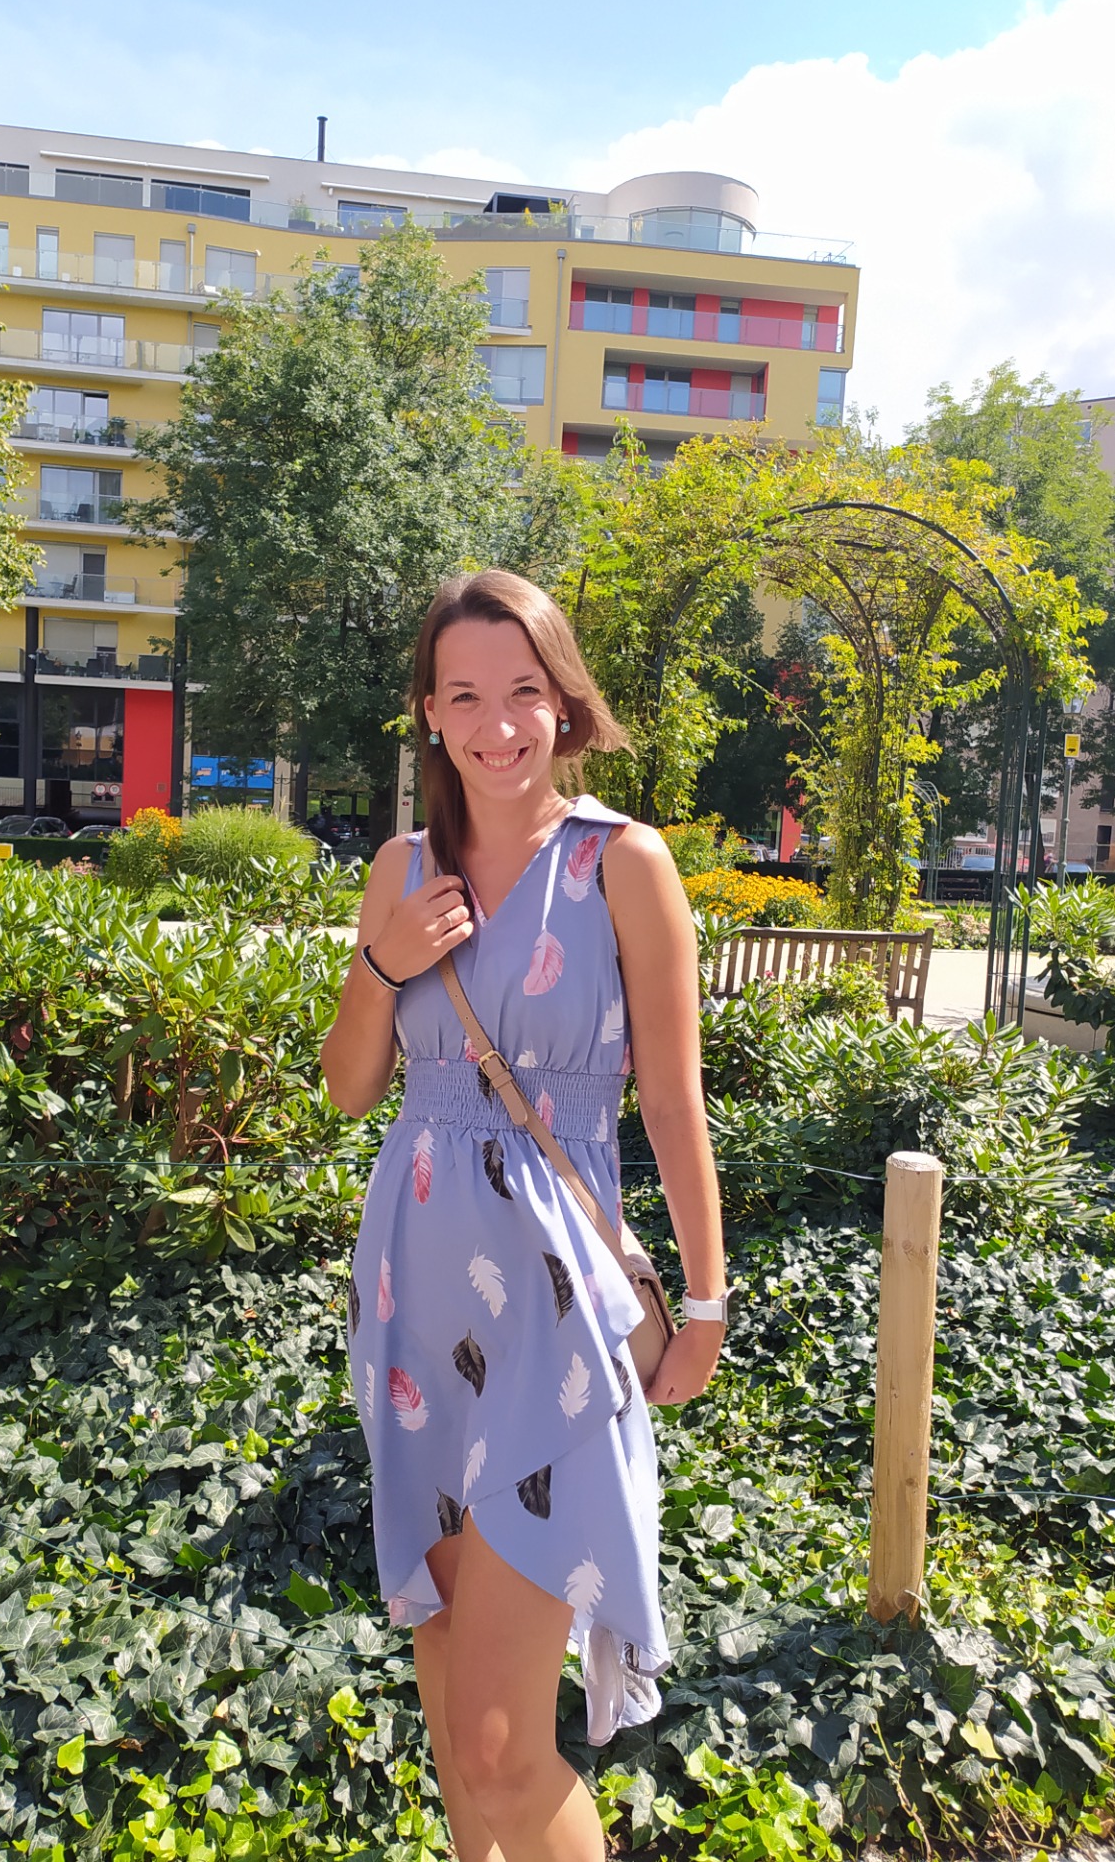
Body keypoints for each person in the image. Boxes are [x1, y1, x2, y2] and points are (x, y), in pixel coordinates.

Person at [321, 569, 728, 1862]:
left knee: (502, 1753)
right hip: (413, 1307)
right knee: (454, 1703)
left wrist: (705, 1301)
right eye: (464, 697)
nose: (497, 725)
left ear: (565, 704)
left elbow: (672, 1100)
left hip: (555, 1317)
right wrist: (384, 963)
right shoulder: (401, 870)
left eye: (523, 693)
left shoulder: (622, 864)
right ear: (429, 715)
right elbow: (349, 1088)